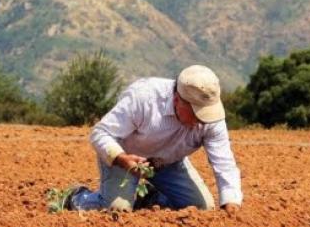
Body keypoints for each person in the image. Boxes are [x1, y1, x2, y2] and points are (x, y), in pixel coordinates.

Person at [64, 65, 243, 214]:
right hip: (125, 158)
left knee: (202, 208)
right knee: (116, 210)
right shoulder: (144, 98)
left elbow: (224, 163)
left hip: (168, 162)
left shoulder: (211, 119)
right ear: (178, 100)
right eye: (196, 113)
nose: (201, 120)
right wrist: (121, 158)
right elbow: (100, 133)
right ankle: (77, 197)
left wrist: (231, 203)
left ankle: (148, 197)